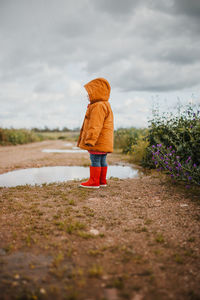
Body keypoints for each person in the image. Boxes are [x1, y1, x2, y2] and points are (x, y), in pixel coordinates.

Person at [77, 77, 114, 188]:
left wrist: (90, 140)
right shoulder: (105, 104)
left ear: (97, 92)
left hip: (97, 140)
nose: (87, 96)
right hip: (103, 140)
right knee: (102, 159)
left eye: (89, 93)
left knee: (95, 159)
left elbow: (95, 125)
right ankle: (102, 181)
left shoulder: (98, 106)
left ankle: (94, 182)